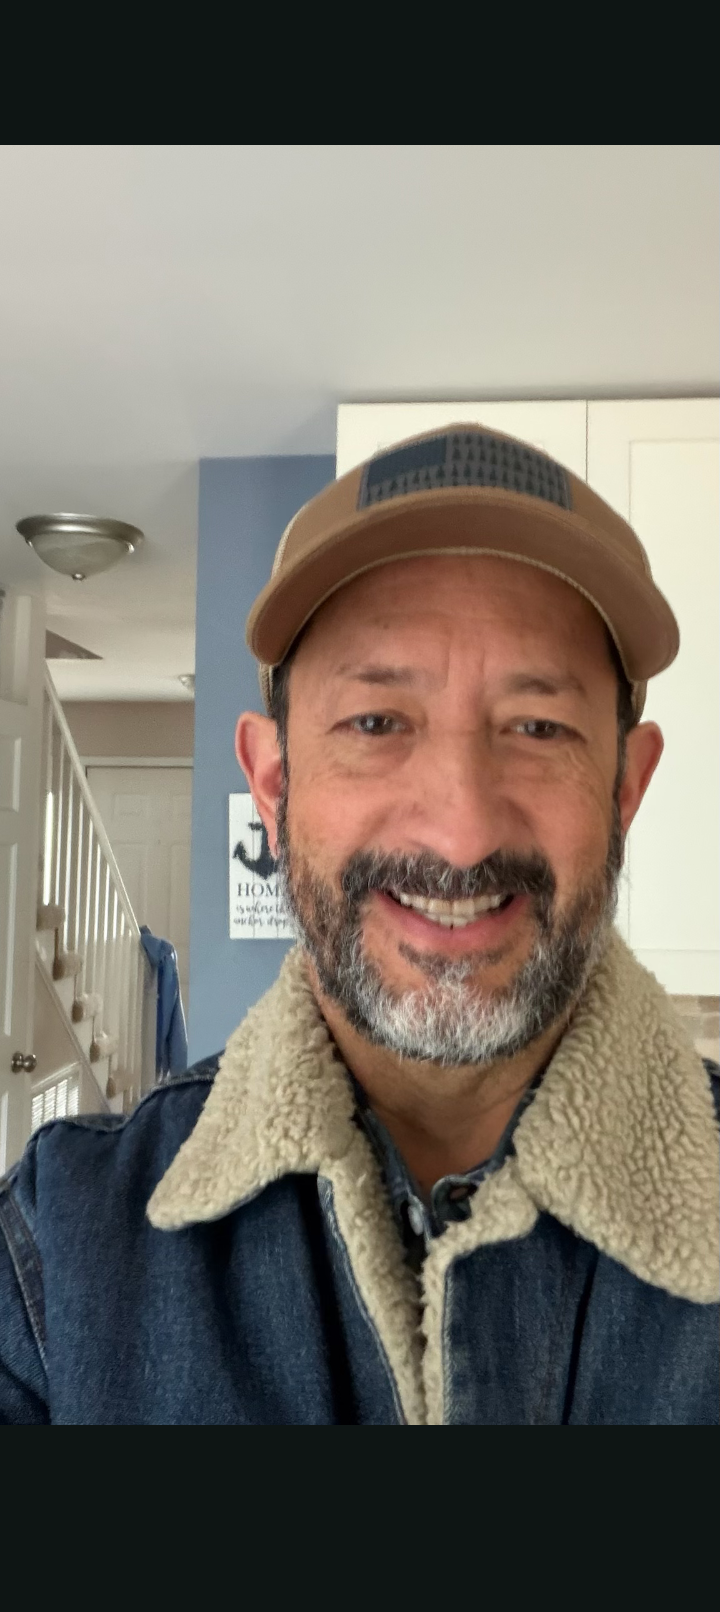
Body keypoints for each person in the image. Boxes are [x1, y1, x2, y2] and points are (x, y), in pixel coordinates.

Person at [1, 423, 717, 1424]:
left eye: (538, 726)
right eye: (377, 723)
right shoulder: (58, 1251)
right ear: (274, 784)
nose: (461, 831)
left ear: (625, 789)